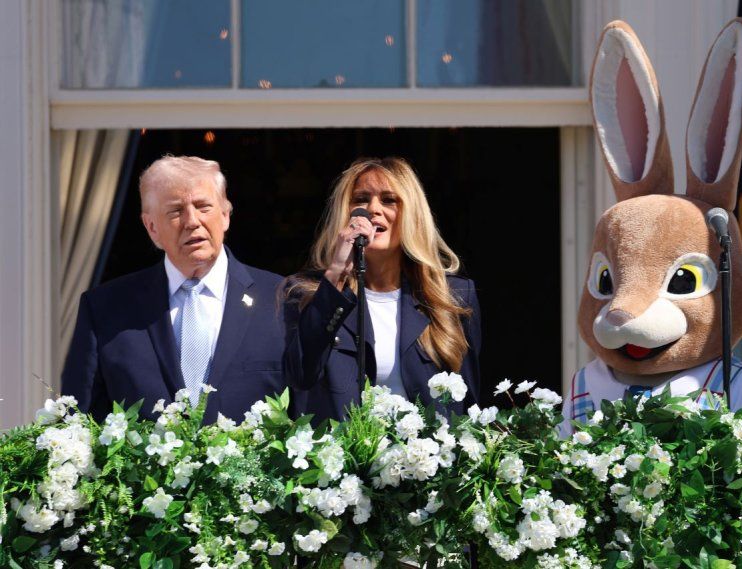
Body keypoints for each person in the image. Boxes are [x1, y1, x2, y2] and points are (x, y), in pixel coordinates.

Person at [62, 156, 287, 423]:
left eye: (203, 207)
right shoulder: (105, 308)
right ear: (152, 227)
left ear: (225, 215)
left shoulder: (281, 299)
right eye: (176, 211)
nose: (192, 221)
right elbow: (76, 423)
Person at [283, 157, 481, 423]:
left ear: (412, 214)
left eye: (389, 200)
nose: (372, 209)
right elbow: (300, 375)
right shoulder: (307, 294)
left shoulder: (452, 296)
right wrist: (336, 274)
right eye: (360, 199)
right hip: (343, 460)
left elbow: (468, 408)